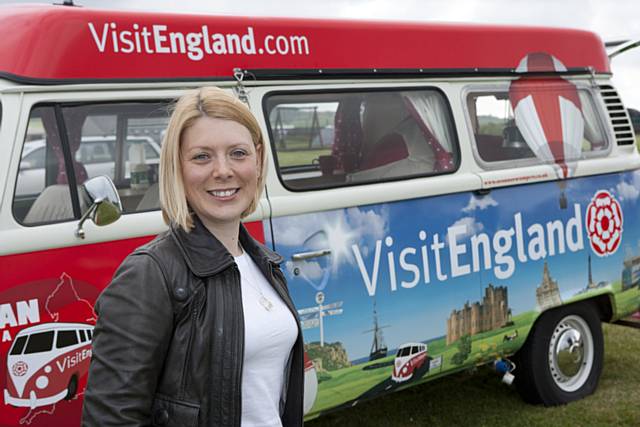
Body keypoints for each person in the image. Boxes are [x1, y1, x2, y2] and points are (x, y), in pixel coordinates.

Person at [82, 87, 304, 427]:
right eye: (202, 157)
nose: (223, 170)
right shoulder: (148, 274)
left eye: (238, 153)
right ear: (177, 168)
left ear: (258, 160)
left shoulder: (262, 262)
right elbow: (111, 419)